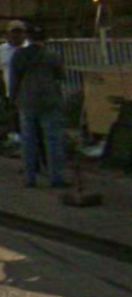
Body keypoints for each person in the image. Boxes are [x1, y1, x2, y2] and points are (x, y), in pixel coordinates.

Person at [10, 25, 67, 188]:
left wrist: (13, 99)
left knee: (28, 140)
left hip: (27, 100)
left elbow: (14, 80)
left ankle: (30, 178)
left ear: (28, 37)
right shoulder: (53, 55)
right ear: (45, 39)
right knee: (53, 140)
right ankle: (56, 177)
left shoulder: (19, 55)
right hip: (50, 100)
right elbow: (61, 76)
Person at [0, 20, 27, 140]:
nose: (16, 35)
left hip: (27, 91)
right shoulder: (2, 50)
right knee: (12, 115)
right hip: (9, 90)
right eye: (14, 32)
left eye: (19, 32)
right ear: (8, 34)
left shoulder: (30, 49)